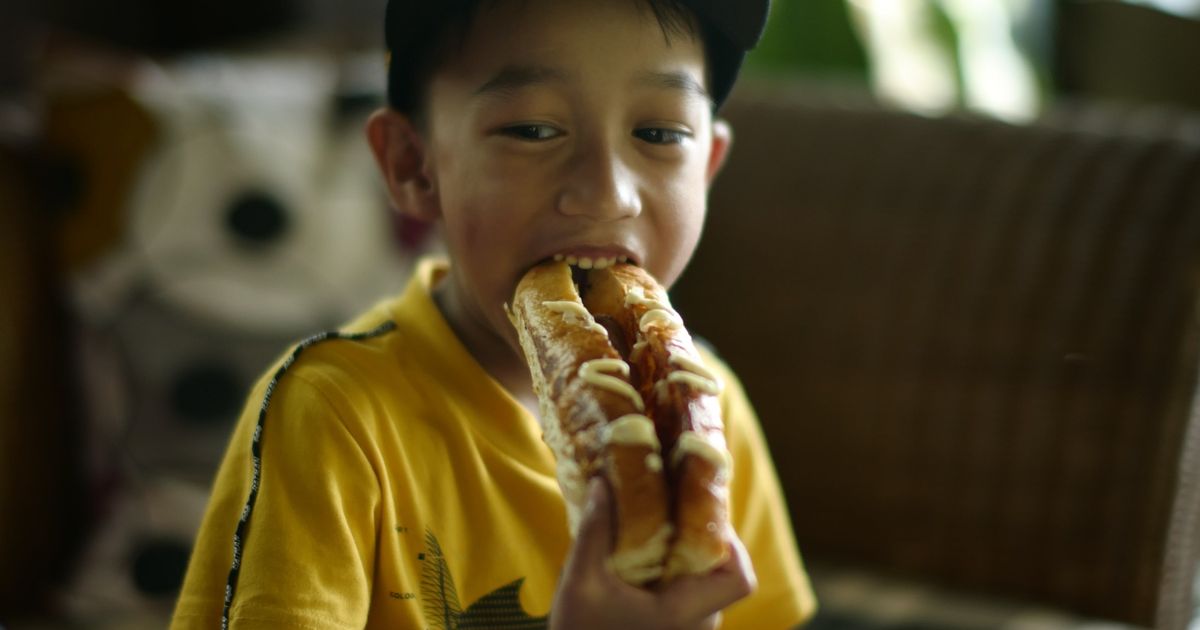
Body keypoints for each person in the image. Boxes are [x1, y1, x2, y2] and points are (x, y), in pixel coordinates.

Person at [171, 0, 817, 627]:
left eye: (658, 133)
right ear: (412, 166)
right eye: (533, 130)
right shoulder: (332, 416)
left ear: (706, 168)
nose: (607, 192)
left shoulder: (707, 417)